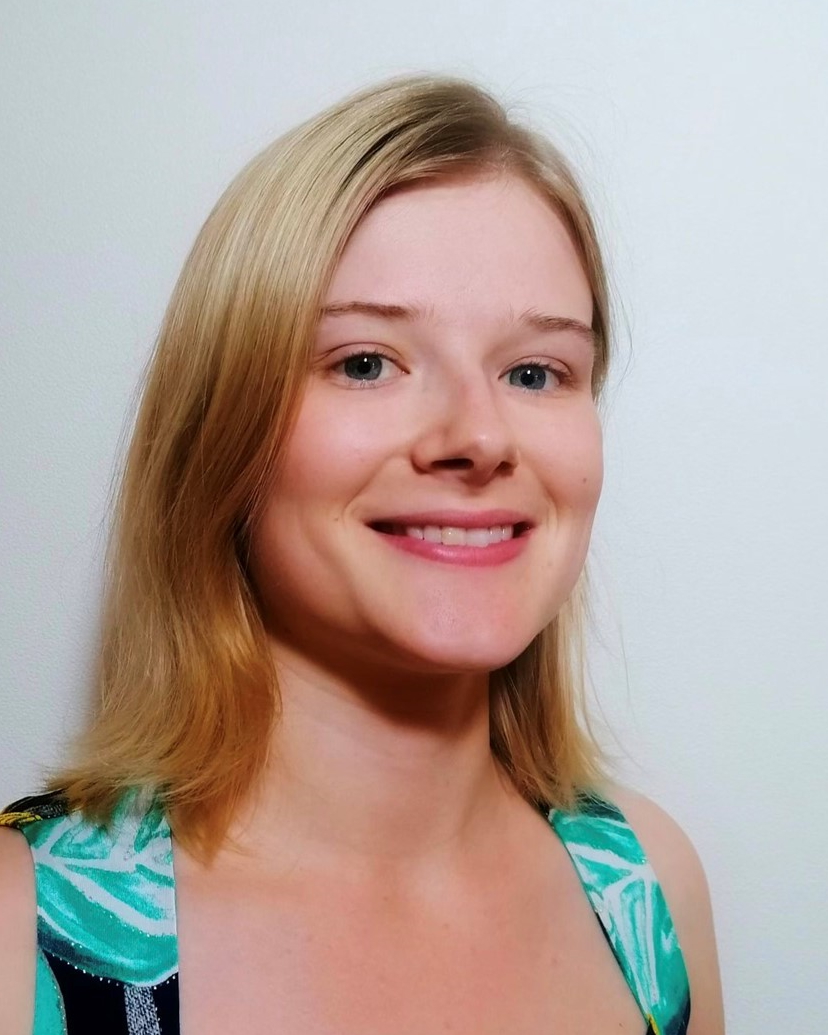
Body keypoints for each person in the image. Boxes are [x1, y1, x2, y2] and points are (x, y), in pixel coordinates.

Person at [0, 74, 724, 1034]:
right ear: (224, 432)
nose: (480, 435)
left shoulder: (649, 892)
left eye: (534, 371)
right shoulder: (19, 929)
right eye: (366, 362)